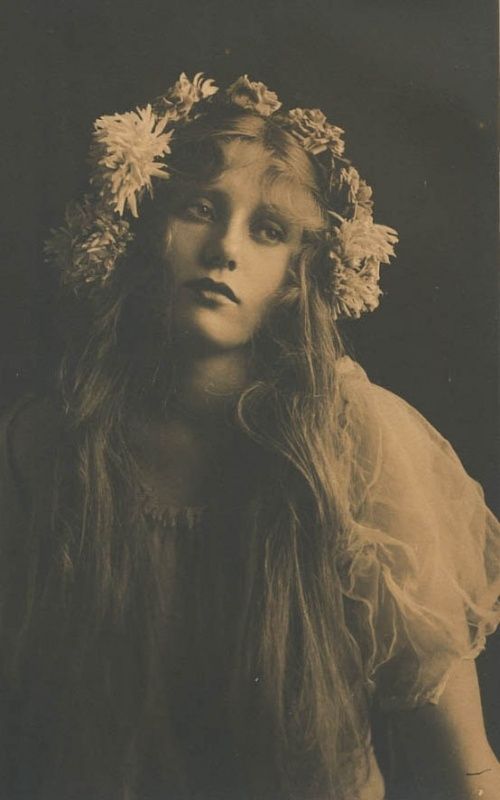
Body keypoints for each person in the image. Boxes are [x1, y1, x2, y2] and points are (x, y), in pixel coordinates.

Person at [0, 72, 499, 800]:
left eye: (268, 231)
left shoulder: (356, 439)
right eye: (200, 209)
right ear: (142, 231)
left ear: (298, 277)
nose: (224, 250)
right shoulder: (51, 441)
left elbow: (469, 775)